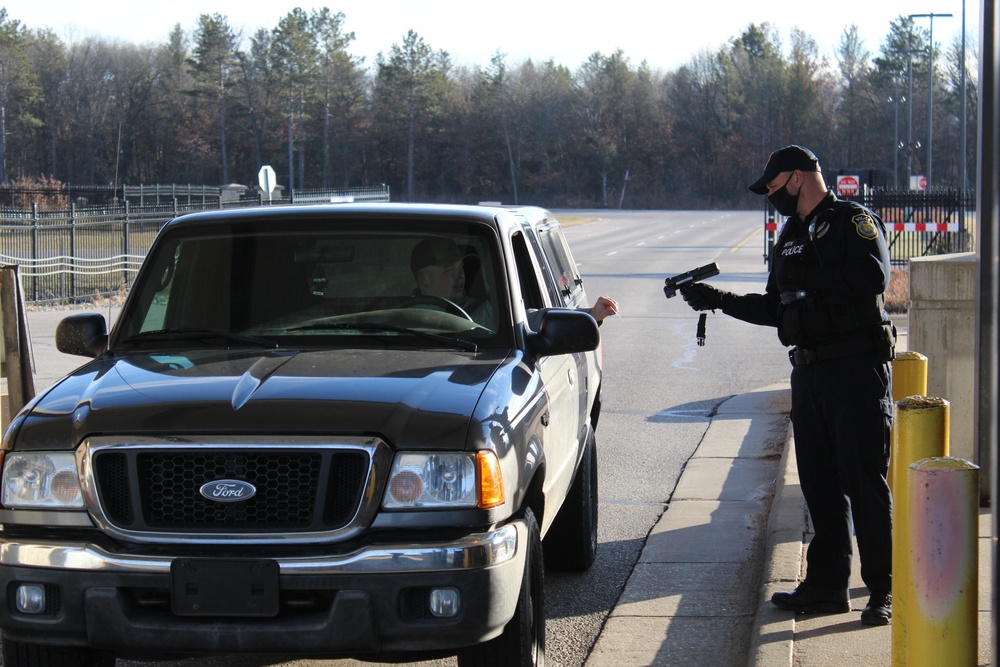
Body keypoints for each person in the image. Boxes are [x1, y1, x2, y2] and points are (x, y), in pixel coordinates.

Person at [678, 145, 894, 627]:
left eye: (774, 188)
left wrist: (809, 273)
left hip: (856, 370)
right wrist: (719, 300)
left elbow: (874, 276)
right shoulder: (790, 237)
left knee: (865, 482)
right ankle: (825, 587)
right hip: (810, 372)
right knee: (820, 485)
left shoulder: (851, 221)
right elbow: (778, 308)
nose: (771, 197)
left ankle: (883, 589)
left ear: (798, 177)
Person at [410, 237, 619, 325]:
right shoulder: (394, 319)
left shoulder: (484, 312)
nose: (460, 275)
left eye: (461, 267)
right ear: (424, 279)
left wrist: (590, 315)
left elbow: (534, 318)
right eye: (449, 269)